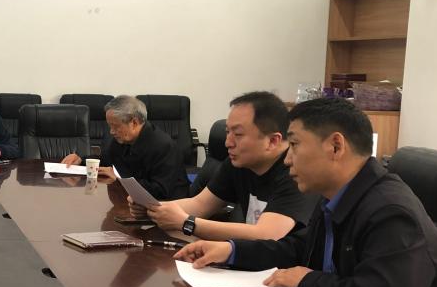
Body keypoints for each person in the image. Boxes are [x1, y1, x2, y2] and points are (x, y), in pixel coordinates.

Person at [176, 98, 437, 287]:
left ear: (335, 146)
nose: (287, 159)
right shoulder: (337, 197)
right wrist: (232, 250)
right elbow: (297, 249)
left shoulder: (389, 211)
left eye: (294, 145)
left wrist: (307, 279)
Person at [132, 91, 315, 241]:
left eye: (238, 134)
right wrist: (153, 208)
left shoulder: (297, 172)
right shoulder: (239, 163)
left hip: (288, 270)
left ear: (273, 141)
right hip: (252, 262)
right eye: (228, 132)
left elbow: (267, 234)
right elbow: (200, 204)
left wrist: (187, 223)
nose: (228, 142)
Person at [63, 95, 188, 200]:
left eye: (116, 126)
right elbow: (106, 161)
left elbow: (160, 190)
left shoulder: (164, 147)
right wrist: (81, 160)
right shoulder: (121, 140)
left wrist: (119, 180)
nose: (111, 132)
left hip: (168, 207)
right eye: (110, 126)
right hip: (132, 201)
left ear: (134, 123)